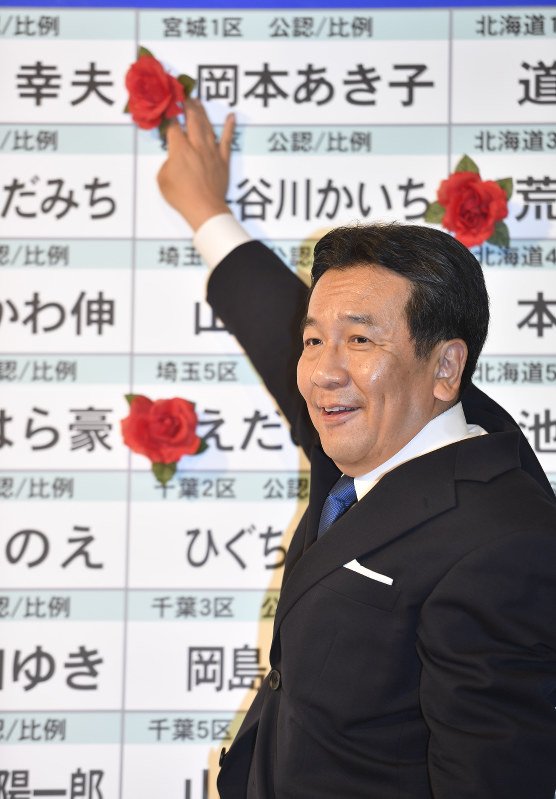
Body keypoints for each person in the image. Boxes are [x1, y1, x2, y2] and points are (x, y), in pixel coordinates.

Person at [158, 100, 556, 799]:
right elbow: (275, 326)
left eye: (361, 339)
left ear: (445, 366)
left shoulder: (505, 541)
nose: (322, 370)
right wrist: (206, 211)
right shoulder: (369, 439)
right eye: (315, 339)